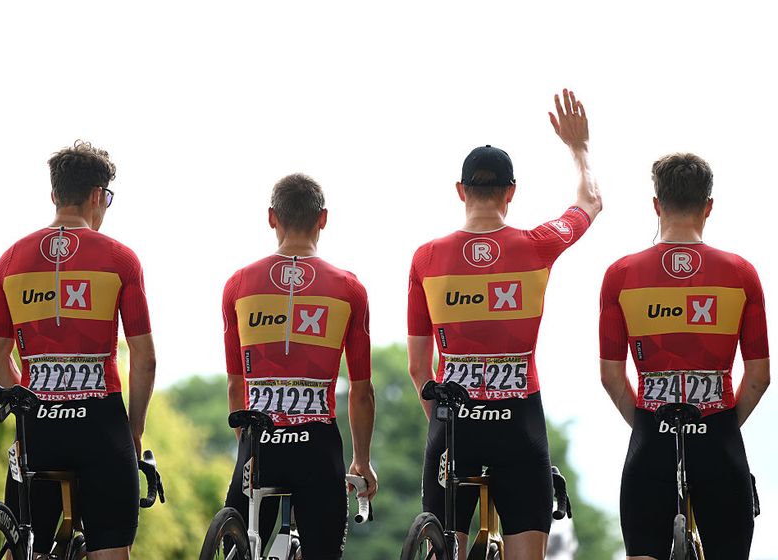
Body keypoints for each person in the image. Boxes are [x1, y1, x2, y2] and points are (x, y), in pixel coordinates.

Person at [407, 89, 602, 560]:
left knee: (444, 550)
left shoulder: (426, 259)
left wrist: (450, 425)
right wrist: (579, 148)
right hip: (519, 425)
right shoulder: (537, 245)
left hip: (454, 427)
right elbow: (590, 202)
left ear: (461, 191)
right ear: (511, 192)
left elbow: (418, 369)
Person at [0, 140, 156, 558]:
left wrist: (32, 400)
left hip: (38, 429)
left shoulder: (10, 261)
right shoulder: (121, 260)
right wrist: (133, 432)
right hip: (100, 428)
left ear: (54, 195)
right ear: (98, 196)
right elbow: (145, 359)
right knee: (110, 550)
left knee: (24, 547)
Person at [599, 153, 769, 560]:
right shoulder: (741, 274)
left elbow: (611, 377)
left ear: (656, 204)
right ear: (708, 206)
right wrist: (718, 427)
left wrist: (650, 426)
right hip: (719, 441)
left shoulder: (620, 275)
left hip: (651, 441)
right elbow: (759, 377)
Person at [222, 173, 377, 559]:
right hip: (317, 448)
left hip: (259, 444)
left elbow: (236, 385)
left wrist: (246, 446)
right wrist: (362, 460)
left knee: (238, 546)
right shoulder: (349, 289)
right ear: (323, 218)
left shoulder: (238, 285)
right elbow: (361, 391)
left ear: (271, 217)